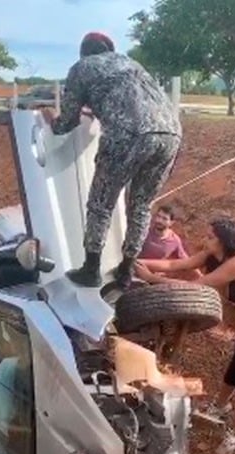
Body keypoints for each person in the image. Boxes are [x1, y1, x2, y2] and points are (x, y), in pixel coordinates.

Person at [40, 31, 182, 288]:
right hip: (170, 134)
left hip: (129, 134)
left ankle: (91, 270)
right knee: (141, 205)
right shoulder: (131, 64)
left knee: (101, 204)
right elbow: (129, 99)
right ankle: (126, 272)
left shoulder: (82, 67)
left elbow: (66, 122)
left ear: (84, 52)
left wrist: (51, 118)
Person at [135, 217, 235, 454]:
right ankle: (220, 407)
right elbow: (176, 266)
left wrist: (151, 279)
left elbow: (198, 285)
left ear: (224, 241)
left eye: (211, 237)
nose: (206, 240)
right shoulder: (211, 256)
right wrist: (136, 261)